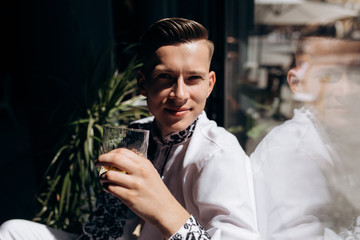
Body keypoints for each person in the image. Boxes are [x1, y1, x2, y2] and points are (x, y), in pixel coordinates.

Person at [0, 18, 259, 240]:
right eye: (165, 77)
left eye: (193, 79)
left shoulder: (219, 153)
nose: (180, 94)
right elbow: (107, 229)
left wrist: (164, 208)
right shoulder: (132, 134)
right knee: (12, 231)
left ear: (210, 84)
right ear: (143, 83)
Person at [250, 35, 360, 240]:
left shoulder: (335, 136)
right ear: (297, 83)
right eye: (328, 76)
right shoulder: (292, 151)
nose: (347, 91)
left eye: (357, 75)